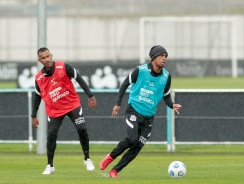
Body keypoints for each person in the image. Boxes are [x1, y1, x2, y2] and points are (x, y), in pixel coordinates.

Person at [99, 45, 182, 178]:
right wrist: (118, 103)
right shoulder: (140, 70)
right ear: (154, 57)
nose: (164, 58)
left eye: (166, 56)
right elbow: (125, 83)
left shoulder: (166, 76)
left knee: (137, 146)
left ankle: (114, 171)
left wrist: (172, 105)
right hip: (134, 111)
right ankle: (110, 157)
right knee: (131, 139)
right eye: (161, 55)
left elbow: (166, 95)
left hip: (149, 117)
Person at [31, 47, 97, 175]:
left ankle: (87, 159)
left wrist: (90, 95)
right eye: (43, 58)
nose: (47, 59)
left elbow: (79, 79)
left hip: (72, 105)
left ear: (51, 55)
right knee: (51, 135)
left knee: (82, 129)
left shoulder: (64, 67)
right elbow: (37, 97)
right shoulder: (38, 78)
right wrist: (33, 115)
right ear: (40, 60)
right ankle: (50, 165)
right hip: (54, 110)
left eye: (48, 56)